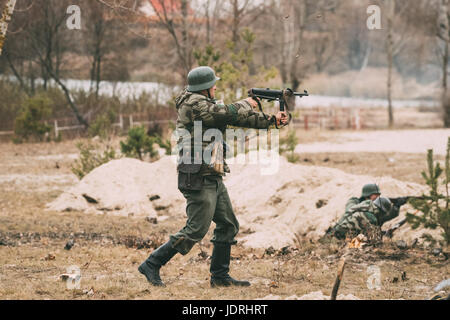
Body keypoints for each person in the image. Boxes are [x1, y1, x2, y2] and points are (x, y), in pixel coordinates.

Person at [138, 66, 289, 287]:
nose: (216, 86)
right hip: (197, 173)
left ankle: (219, 277)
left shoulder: (206, 104)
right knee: (196, 229)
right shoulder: (193, 104)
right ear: (204, 88)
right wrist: (248, 103)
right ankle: (152, 263)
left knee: (228, 225)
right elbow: (226, 113)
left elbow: (237, 119)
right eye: (213, 84)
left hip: (212, 173)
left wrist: (272, 121)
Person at [326, 184, 401, 239]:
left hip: (337, 237)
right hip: (335, 239)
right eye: (375, 195)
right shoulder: (355, 202)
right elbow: (374, 240)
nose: (377, 197)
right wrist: (385, 235)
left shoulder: (367, 208)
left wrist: (396, 207)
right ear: (367, 195)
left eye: (379, 196)